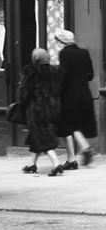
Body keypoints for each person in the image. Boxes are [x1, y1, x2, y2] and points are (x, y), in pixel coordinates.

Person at [17, 48, 64, 176]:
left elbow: (25, 92)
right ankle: (32, 164)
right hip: (53, 109)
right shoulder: (55, 71)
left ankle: (56, 164)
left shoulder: (31, 72)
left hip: (37, 110)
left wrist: (22, 103)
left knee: (43, 138)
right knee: (36, 136)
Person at [55, 30, 98, 169]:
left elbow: (63, 75)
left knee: (68, 125)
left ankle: (75, 156)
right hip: (84, 93)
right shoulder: (84, 52)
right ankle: (83, 149)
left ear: (62, 40)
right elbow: (90, 75)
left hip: (69, 95)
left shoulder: (64, 54)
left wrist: (57, 91)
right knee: (77, 125)